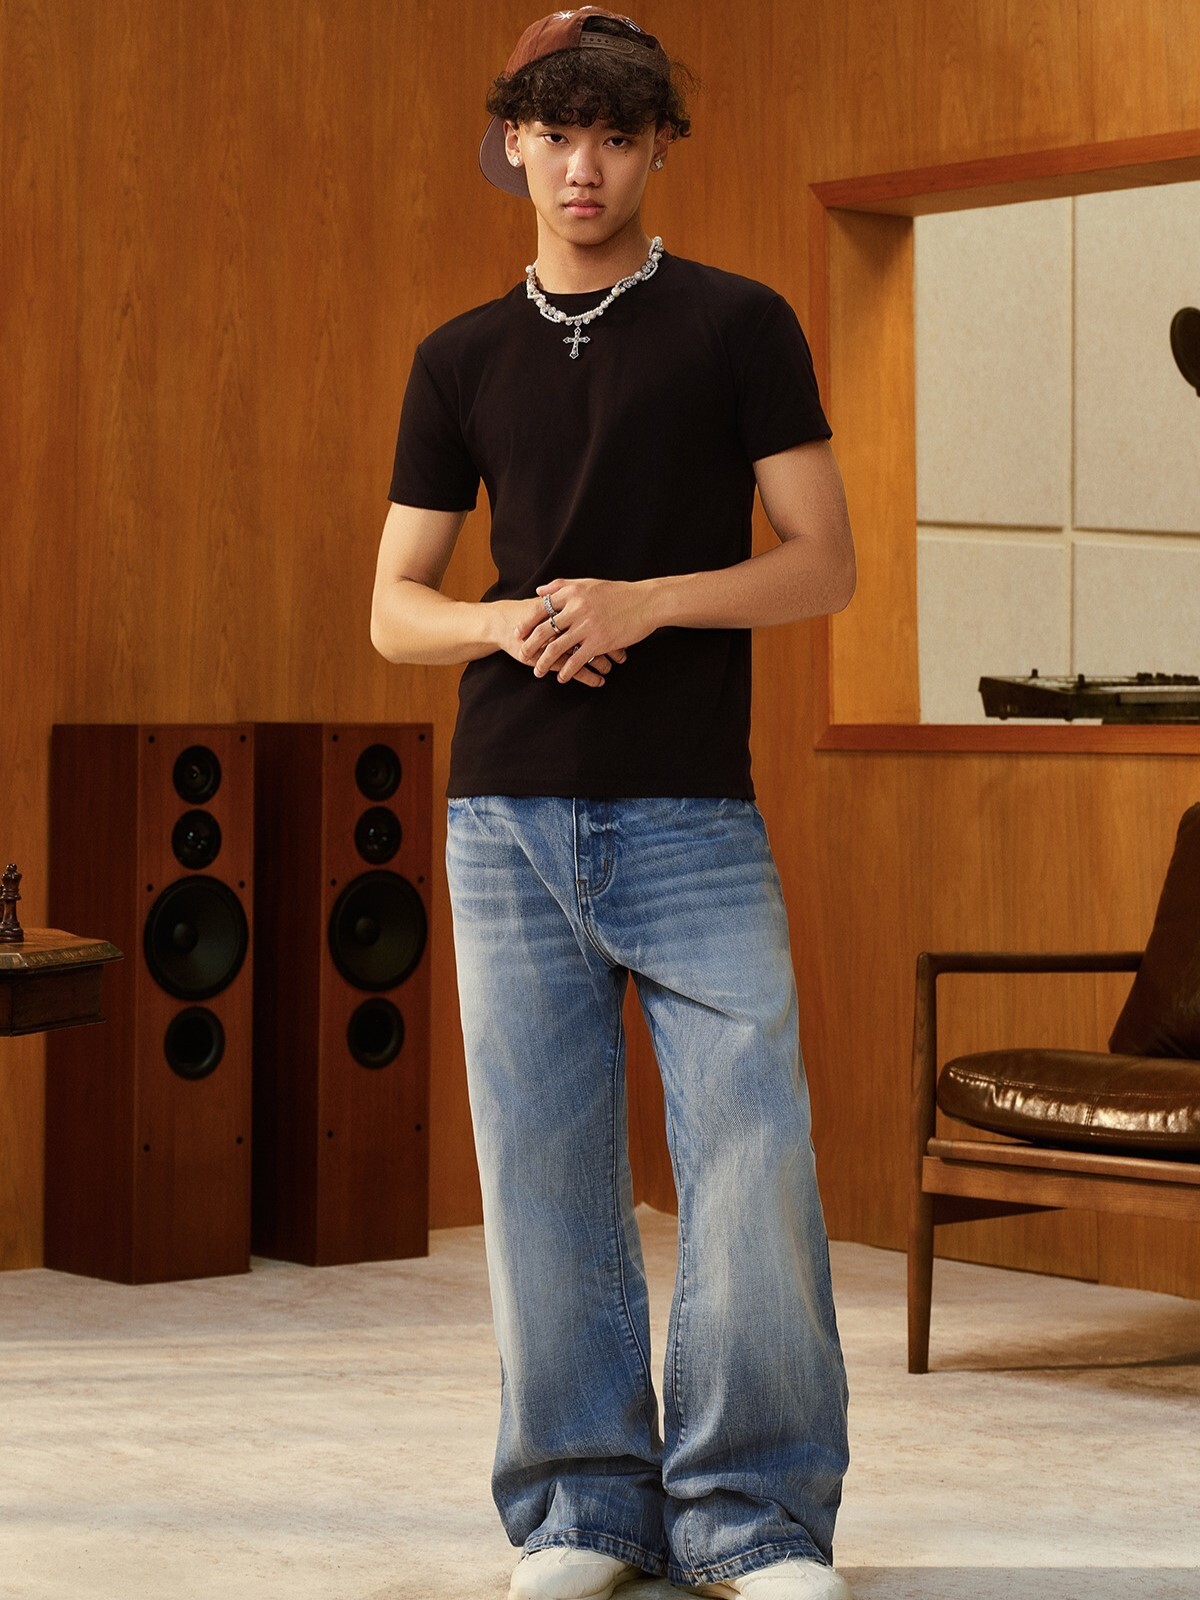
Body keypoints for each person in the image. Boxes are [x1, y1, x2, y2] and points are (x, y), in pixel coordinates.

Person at [371, 10, 857, 1599]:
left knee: (751, 1164)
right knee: (544, 1172)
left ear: (658, 148)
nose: (583, 165)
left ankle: (753, 1519)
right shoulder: (459, 357)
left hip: (690, 813)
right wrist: (505, 621)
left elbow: (821, 564)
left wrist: (647, 600)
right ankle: (583, 1510)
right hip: (505, 815)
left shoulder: (739, 325)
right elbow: (394, 607)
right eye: (556, 131)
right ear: (513, 142)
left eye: (616, 134)